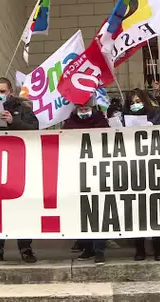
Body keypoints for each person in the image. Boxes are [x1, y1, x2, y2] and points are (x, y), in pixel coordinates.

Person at [0, 77, 38, 264]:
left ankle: (25, 247)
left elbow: (35, 130)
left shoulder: (24, 110)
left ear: (10, 92)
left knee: (22, 207)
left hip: (18, 165)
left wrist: (13, 122)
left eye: (2, 91)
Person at [62, 97, 109, 265]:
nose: (83, 111)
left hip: (97, 172)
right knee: (83, 212)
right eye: (80, 108)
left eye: (85, 108)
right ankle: (87, 247)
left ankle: (100, 250)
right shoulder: (69, 123)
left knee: (98, 211)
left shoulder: (101, 121)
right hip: (77, 172)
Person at [123, 89, 160, 261]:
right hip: (132, 168)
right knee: (136, 210)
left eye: (138, 101)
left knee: (156, 209)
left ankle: (158, 248)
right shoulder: (124, 118)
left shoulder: (155, 114)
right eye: (132, 102)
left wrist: (153, 127)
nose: (135, 104)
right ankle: (139, 248)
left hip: (152, 166)